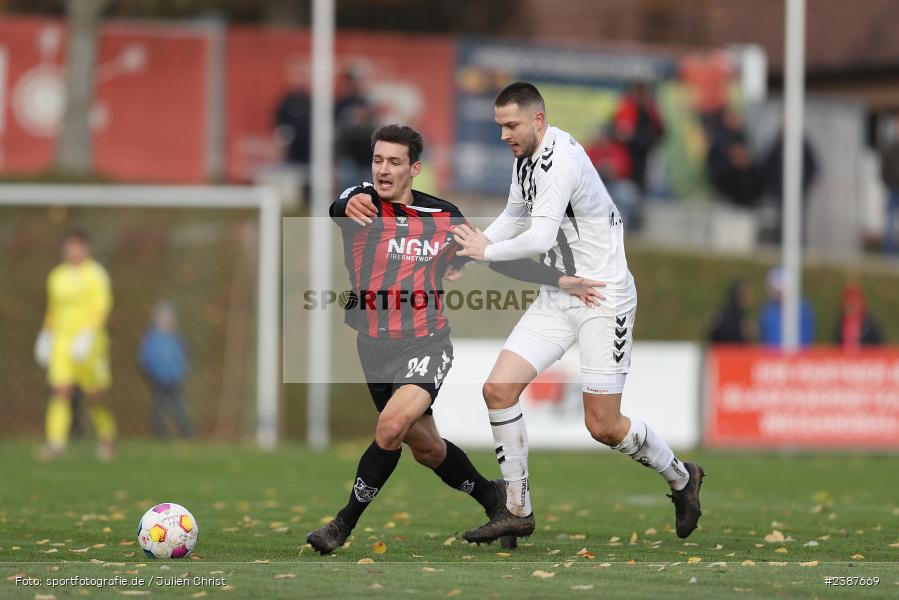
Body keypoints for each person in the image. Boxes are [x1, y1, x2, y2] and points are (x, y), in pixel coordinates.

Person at [305, 124, 603, 555]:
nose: (383, 170)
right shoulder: (362, 203)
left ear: (415, 169)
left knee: (391, 427)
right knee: (427, 449)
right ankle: (493, 496)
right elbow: (339, 206)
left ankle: (341, 525)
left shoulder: (444, 217)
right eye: (377, 160)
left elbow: (492, 258)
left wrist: (558, 279)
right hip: (372, 346)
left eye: (394, 162)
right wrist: (345, 202)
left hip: (426, 343)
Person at [451, 82, 704, 545]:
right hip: (560, 293)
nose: (504, 135)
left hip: (603, 298)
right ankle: (517, 510)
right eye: (500, 126)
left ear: (538, 120)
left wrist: (486, 253)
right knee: (498, 390)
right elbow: (514, 215)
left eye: (511, 125)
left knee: (603, 426)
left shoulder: (561, 161)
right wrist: (473, 248)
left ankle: (682, 477)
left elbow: (540, 238)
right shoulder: (526, 157)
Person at [33, 230, 118, 461]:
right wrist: (46, 334)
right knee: (60, 390)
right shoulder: (57, 276)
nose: (74, 251)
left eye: (78, 246)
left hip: (90, 342)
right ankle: (55, 443)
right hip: (61, 341)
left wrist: (88, 334)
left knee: (94, 394)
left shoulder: (96, 275)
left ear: (87, 248)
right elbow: (53, 308)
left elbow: (102, 307)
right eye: (70, 246)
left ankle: (108, 435)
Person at [139, 301, 192, 439]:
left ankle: (186, 432)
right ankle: (160, 434)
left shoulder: (177, 338)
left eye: (168, 317)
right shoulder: (150, 338)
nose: (166, 321)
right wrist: (149, 372)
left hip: (175, 379)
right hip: (157, 379)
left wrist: (181, 371)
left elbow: (183, 356)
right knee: (158, 407)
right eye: (162, 317)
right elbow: (145, 357)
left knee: (179, 406)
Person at [612, 82, 665, 194]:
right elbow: (620, 130)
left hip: (645, 148)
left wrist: (650, 138)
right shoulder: (627, 106)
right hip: (629, 149)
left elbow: (660, 129)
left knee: (644, 176)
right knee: (630, 176)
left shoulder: (649, 107)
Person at [758, 266, 815, 347]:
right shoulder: (767, 310)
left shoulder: (802, 309)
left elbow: (807, 335)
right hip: (771, 353)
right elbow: (764, 336)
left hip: (796, 353)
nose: (779, 294)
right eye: (776, 290)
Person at [833, 284, 883, 349]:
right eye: (848, 302)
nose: (851, 305)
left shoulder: (870, 322)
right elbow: (836, 345)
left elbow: (879, 345)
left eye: (854, 301)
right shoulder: (841, 321)